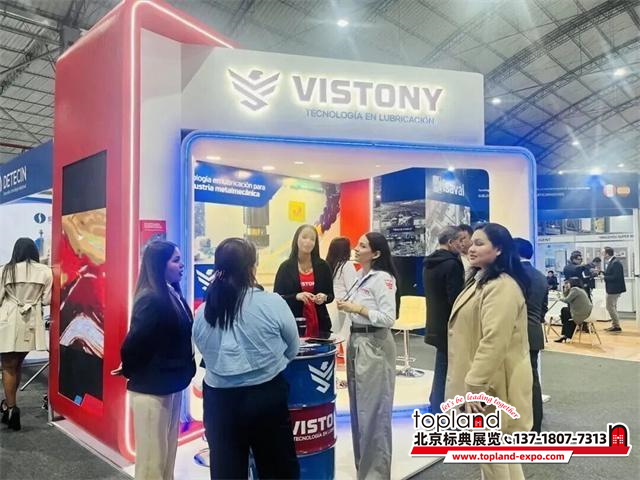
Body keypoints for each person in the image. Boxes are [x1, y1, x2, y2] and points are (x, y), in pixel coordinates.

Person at [193, 238, 300, 479]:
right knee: (278, 471)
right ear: (252, 267)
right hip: (266, 397)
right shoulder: (271, 303)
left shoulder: (204, 311)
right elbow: (292, 348)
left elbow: (203, 351)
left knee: (226, 471)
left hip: (220, 402)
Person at [446, 223, 532, 480]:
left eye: (479, 243)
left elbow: (494, 340)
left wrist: (475, 384)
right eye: (471, 243)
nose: (471, 248)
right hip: (485, 380)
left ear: (499, 249)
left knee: (492, 456)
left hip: (491, 384)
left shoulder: (501, 286)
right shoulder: (481, 281)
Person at [119, 241, 195, 480]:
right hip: (152, 387)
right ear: (159, 264)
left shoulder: (172, 294)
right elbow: (135, 342)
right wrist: (129, 368)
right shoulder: (151, 298)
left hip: (171, 384)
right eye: (175, 260)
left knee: (166, 455)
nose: (181, 265)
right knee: (152, 461)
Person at [337, 232, 397, 479]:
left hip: (374, 344)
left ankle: (376, 474)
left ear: (376, 253)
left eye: (362, 246)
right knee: (359, 411)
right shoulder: (361, 276)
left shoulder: (383, 279)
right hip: (357, 341)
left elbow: (388, 317)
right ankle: (363, 468)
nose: (356, 248)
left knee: (374, 412)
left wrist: (358, 308)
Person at [0, 238, 52, 431]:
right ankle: (8, 404)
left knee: (8, 366)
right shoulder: (45, 271)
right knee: (17, 364)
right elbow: (47, 299)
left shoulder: (6, 270)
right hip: (31, 323)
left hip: (8, 321)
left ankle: (11, 409)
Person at [422, 226, 464, 414]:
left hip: (434, 322)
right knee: (445, 368)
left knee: (442, 365)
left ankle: (436, 404)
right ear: (451, 242)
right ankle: (438, 408)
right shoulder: (452, 264)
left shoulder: (429, 263)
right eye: (460, 241)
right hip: (450, 324)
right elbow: (455, 299)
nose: (462, 245)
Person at [274, 224, 334, 338]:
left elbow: (330, 296)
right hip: (293, 325)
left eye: (312, 239)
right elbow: (277, 297)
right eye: (304, 237)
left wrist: (324, 297)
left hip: (320, 325)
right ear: (297, 239)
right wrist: (296, 296)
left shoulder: (323, 266)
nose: (308, 242)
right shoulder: (285, 267)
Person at [514, 238, 547, 434]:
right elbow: (543, 309)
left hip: (515, 333)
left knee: (513, 380)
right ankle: (536, 425)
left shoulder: (512, 276)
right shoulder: (540, 276)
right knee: (533, 380)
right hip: (534, 332)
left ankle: (518, 423)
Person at [325, 236, 358, 337]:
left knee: (332, 336)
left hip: (330, 305)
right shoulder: (347, 265)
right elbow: (352, 289)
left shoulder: (327, 265)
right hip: (343, 306)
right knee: (344, 338)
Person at [555, 278, 593, 343]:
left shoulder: (575, 289)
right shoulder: (580, 289)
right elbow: (567, 297)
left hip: (581, 314)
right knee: (566, 312)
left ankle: (566, 334)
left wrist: (559, 298)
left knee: (565, 312)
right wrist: (566, 289)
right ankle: (566, 335)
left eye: (568, 283)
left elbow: (566, 300)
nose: (567, 284)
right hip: (587, 313)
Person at [602, 247, 626, 332]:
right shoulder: (613, 262)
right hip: (613, 288)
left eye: (603, 253)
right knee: (613, 307)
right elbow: (611, 273)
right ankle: (615, 325)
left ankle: (616, 325)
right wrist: (602, 272)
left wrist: (604, 277)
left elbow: (616, 277)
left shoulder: (615, 263)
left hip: (614, 289)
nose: (602, 255)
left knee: (609, 306)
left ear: (607, 254)